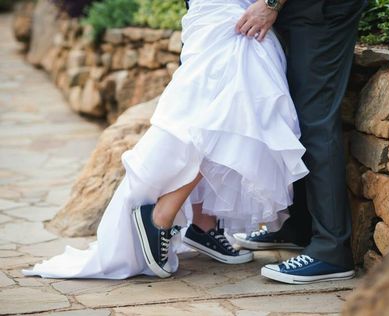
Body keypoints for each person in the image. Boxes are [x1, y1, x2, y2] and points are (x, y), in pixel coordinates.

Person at [23, 0, 309, 279]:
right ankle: (161, 216)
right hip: (231, 17)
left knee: (215, 116)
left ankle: (203, 224)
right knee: (224, 120)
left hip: (220, 14)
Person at [234, 0, 367, 284]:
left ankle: (331, 251)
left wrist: (271, 3)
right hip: (293, 10)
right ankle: (299, 228)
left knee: (314, 120)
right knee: (290, 117)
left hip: (319, 9)